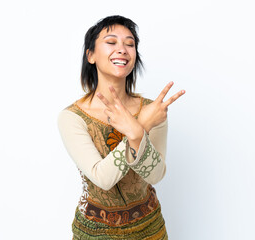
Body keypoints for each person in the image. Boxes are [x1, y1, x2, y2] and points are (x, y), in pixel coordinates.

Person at [58, 15, 185, 240]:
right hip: (95, 232)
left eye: (130, 44)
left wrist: (143, 125)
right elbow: (103, 179)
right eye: (111, 42)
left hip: (150, 229)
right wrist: (141, 126)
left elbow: (155, 175)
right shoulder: (72, 118)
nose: (122, 49)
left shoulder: (152, 109)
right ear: (91, 55)